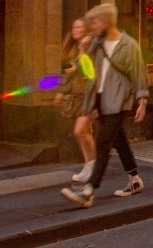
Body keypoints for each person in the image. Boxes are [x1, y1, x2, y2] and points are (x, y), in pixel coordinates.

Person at [61, 3, 149, 208]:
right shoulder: (97, 43)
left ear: (107, 21)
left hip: (120, 100)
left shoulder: (129, 45)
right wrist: (83, 51)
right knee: (119, 140)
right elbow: (86, 68)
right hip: (100, 99)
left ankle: (89, 191)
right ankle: (134, 179)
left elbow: (139, 74)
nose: (92, 26)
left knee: (103, 142)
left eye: (95, 21)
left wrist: (142, 101)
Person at [53, 18, 96, 183]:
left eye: (79, 27)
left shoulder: (91, 47)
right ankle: (89, 166)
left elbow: (91, 71)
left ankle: (92, 167)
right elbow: (67, 76)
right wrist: (61, 92)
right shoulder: (70, 49)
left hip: (91, 95)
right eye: (73, 27)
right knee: (86, 132)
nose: (75, 29)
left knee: (80, 131)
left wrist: (83, 51)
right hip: (78, 96)